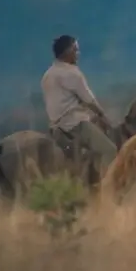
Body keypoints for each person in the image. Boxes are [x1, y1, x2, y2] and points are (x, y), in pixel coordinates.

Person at [41, 35, 117, 175]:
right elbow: (89, 100)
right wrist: (103, 116)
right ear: (67, 52)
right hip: (75, 124)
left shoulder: (47, 75)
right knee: (109, 150)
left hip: (55, 126)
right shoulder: (72, 73)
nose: (78, 54)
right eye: (75, 50)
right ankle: (107, 187)